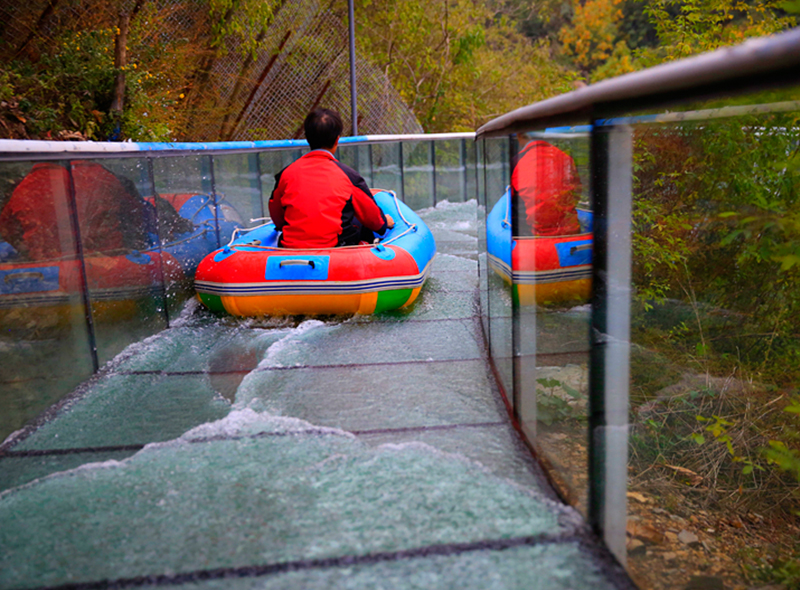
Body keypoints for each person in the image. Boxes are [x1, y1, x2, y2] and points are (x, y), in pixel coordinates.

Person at [269, 108, 394, 249]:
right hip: (335, 250)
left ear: (308, 138)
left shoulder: (285, 174)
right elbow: (372, 217)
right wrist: (384, 223)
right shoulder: (349, 176)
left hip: (290, 249)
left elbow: (277, 216)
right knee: (359, 222)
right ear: (337, 140)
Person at [511, 134, 582, 237]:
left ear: (519, 136)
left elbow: (508, 200)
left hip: (534, 236)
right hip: (572, 231)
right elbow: (577, 193)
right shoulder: (566, 157)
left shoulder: (517, 161)